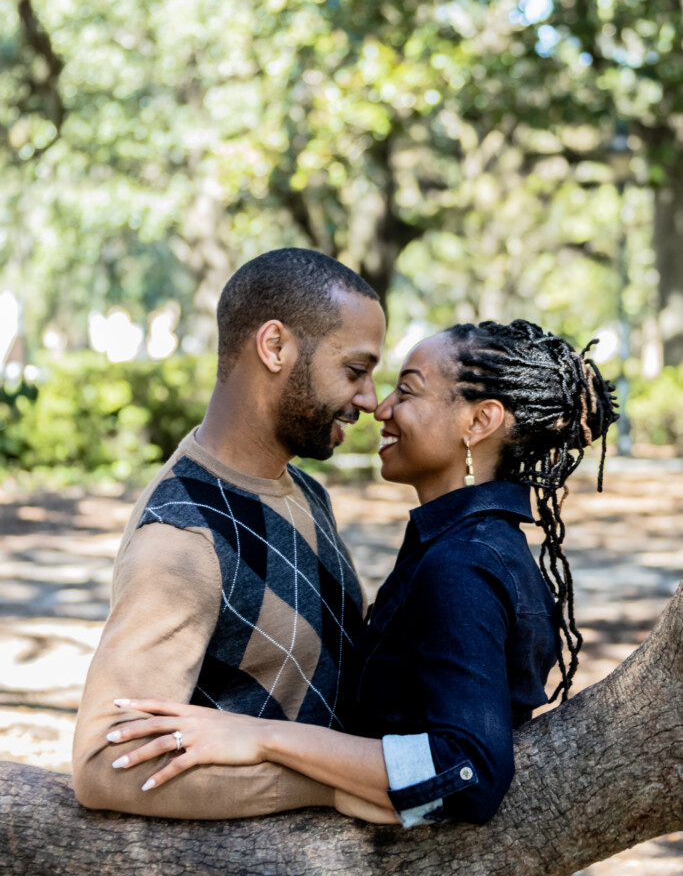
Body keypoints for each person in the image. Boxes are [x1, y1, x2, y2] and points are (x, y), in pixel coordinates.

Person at [99, 320, 619, 827]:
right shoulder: (462, 544)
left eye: (407, 392)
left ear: (479, 422)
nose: (382, 409)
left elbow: (468, 772)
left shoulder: (463, 563)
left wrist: (261, 739)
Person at [72, 247, 386, 819]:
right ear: (274, 347)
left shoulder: (304, 490)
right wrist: (333, 786)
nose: (369, 399)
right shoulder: (182, 539)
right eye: (355, 370)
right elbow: (102, 764)